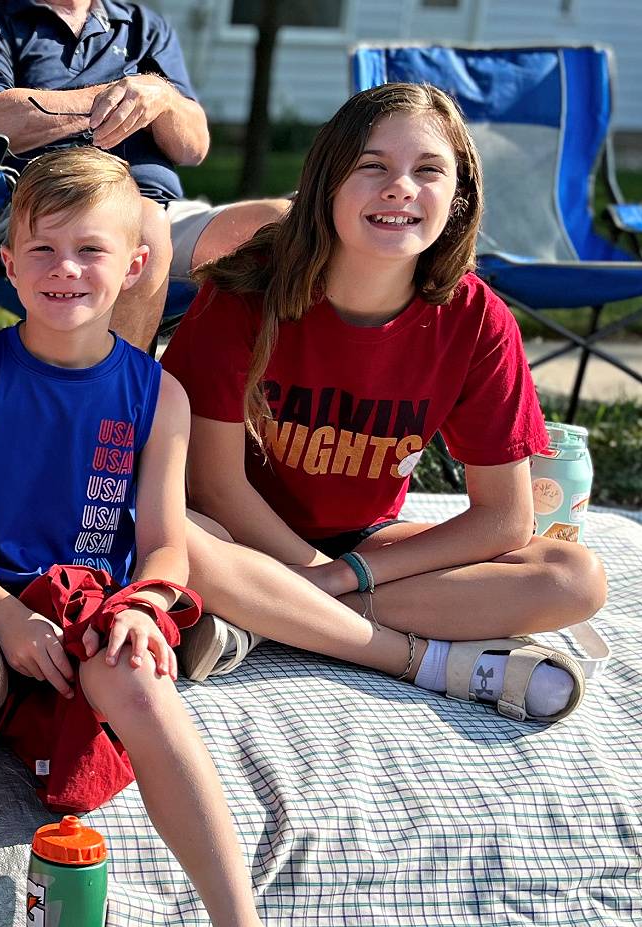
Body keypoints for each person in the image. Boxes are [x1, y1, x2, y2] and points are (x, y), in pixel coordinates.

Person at [0, 147, 263, 927]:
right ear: (9, 266)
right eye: (44, 249)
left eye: (90, 248)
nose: (67, 269)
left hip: (97, 602)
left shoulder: (159, 395)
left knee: (143, 687)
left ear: (133, 266)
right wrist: (8, 618)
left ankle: (240, 914)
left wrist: (142, 605)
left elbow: (166, 545)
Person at [160, 83, 607, 723]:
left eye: (428, 171)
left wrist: (343, 577)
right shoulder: (246, 291)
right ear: (327, 184)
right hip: (233, 536)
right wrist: (314, 571)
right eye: (372, 166)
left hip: (363, 544)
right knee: (171, 533)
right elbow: (214, 485)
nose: (400, 187)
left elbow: (504, 520)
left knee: (571, 575)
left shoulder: (477, 320)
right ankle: (403, 655)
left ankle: (263, 621)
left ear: (458, 198)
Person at [0, 0, 293, 347]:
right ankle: (115, 402)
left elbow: (194, 147)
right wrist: (112, 98)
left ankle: (229, 400)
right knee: (144, 223)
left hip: (161, 209)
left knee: (287, 225)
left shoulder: (144, 26)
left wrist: (162, 98)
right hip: (49, 208)